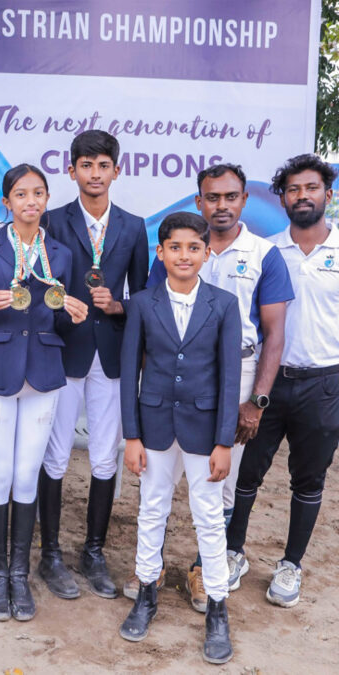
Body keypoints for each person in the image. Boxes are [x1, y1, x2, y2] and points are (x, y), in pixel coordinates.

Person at [145, 163, 292, 610]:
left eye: (231, 196)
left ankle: (201, 571)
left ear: (245, 200)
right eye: (213, 197)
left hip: (239, 376)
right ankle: (150, 571)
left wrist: (257, 401)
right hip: (176, 376)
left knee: (218, 481)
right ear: (199, 202)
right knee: (161, 479)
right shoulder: (176, 251)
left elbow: (274, 334)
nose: (222, 205)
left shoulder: (265, 255)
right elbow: (153, 317)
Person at [118, 212, 240, 664]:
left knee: (208, 515)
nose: (184, 255)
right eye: (175, 247)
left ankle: (218, 608)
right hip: (153, 426)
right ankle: (146, 593)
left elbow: (230, 378)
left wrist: (224, 441)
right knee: (152, 507)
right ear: (161, 252)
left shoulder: (224, 305)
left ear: (206, 253)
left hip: (204, 430)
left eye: (194, 247)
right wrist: (131, 435)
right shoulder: (145, 304)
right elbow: (130, 370)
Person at [0, 164, 88, 622]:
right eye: (21, 194)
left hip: (43, 371)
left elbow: (58, 312)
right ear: (7, 202)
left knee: (26, 474)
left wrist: (71, 312)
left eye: (39, 193)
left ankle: (20, 575)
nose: (31, 201)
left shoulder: (59, 252)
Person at [39, 130, 149, 601]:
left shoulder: (134, 224)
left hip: (112, 353)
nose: (95, 174)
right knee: (56, 452)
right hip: (64, 349)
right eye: (86, 166)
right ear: (72, 171)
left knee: (105, 455)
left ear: (116, 171)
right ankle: (50, 554)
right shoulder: (51, 220)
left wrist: (118, 304)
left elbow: (144, 297)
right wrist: (63, 306)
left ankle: (95, 550)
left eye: (103, 165)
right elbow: (37, 284)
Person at [226, 154, 339, 608]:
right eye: (293, 190)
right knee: (245, 474)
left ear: (327, 195)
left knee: (308, 481)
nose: (302, 196)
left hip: (325, 384)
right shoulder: (268, 252)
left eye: (311, 188)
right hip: (267, 383)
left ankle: (290, 565)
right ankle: (233, 553)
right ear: (282, 198)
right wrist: (256, 392)